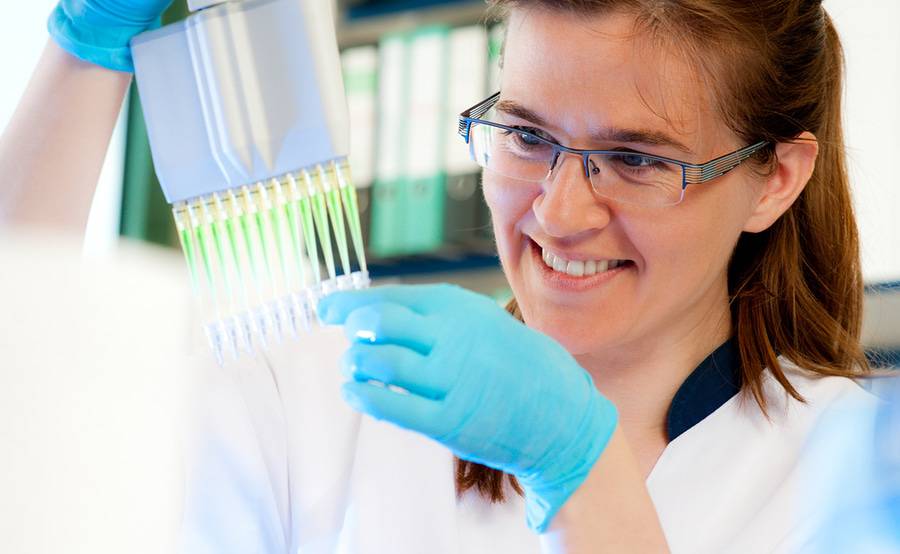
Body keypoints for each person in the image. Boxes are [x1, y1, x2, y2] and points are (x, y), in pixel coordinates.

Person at [0, 0, 883, 552]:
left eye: (636, 160)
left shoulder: (848, 470)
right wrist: (83, 55)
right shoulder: (334, 383)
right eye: (529, 137)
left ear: (775, 178)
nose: (560, 213)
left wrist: (583, 470)